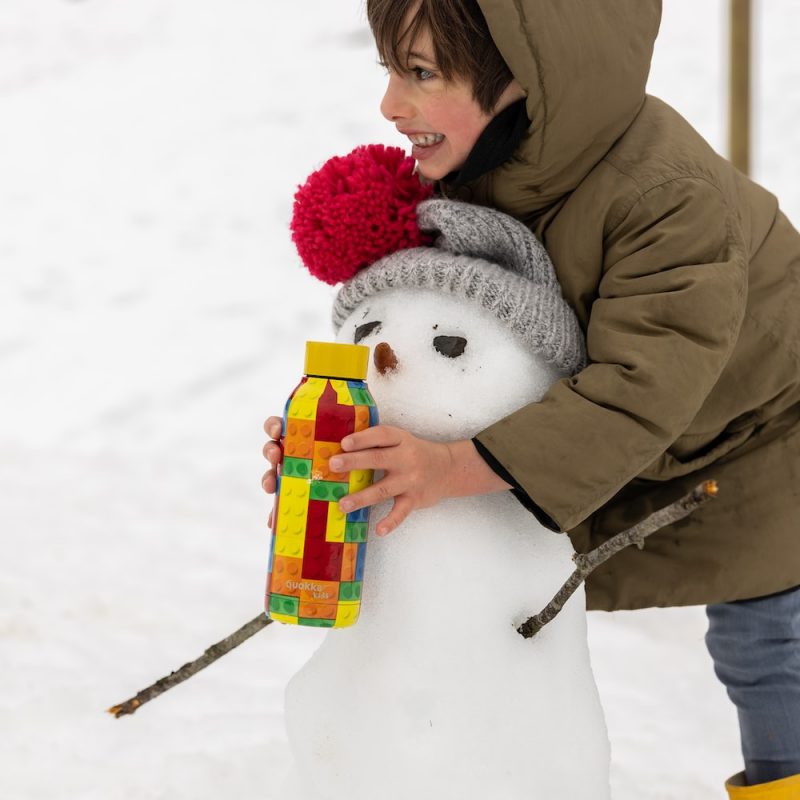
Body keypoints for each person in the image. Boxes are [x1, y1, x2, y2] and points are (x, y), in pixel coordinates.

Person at [262, 1, 800, 796]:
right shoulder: (469, 179)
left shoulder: (667, 198)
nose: (390, 106)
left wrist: (450, 466)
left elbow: (638, 390)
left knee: (769, 644)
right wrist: (352, 442)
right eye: (390, 69)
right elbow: (433, 345)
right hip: (599, 447)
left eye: (420, 74)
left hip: (762, 435)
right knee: (485, 600)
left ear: (527, 77)